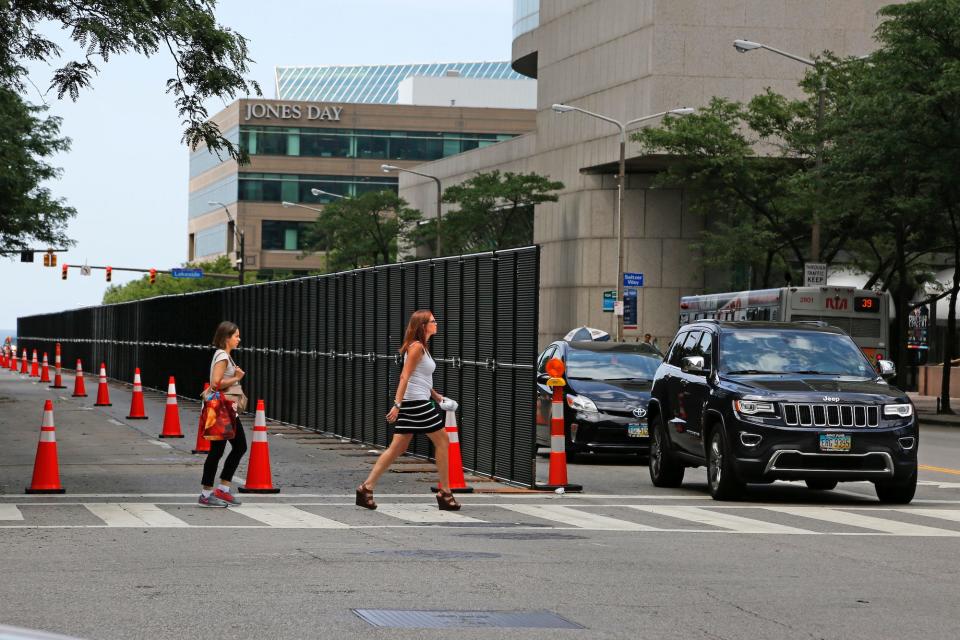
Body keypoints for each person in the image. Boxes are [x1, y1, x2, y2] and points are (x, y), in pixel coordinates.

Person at [356, 309, 460, 511]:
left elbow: (420, 379)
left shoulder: (423, 347)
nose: (436, 323)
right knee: (443, 441)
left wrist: (437, 397)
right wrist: (397, 405)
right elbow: (405, 377)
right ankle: (445, 493)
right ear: (423, 325)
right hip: (416, 404)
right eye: (433, 321)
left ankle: (365, 489)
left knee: (397, 448)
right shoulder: (417, 348)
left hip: (416, 401)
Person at [198, 321, 249, 508]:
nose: (239, 339)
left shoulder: (226, 356)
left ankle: (222, 489)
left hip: (227, 410)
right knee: (219, 450)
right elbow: (215, 383)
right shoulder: (222, 356)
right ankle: (207, 493)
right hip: (221, 410)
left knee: (237, 447)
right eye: (236, 336)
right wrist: (236, 378)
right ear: (226, 338)